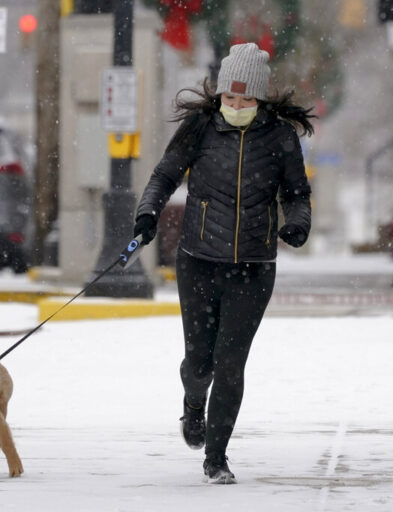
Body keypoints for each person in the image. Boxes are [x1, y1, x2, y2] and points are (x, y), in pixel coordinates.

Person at [133, 42, 315, 484]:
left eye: (246, 99)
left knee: (231, 363)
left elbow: (297, 193)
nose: (236, 106)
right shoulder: (199, 128)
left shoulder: (281, 138)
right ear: (219, 95)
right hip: (198, 261)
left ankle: (216, 458)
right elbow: (165, 174)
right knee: (200, 364)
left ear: (260, 98)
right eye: (230, 98)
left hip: (253, 267)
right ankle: (193, 404)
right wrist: (148, 213)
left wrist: (297, 223)